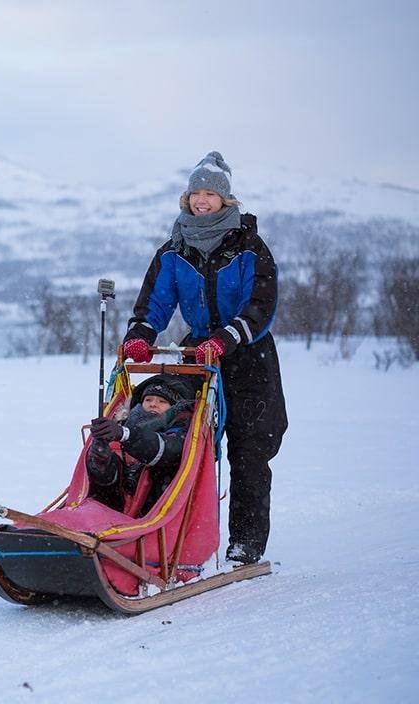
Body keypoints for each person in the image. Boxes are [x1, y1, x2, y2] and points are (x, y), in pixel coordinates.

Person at [121, 151, 288, 564]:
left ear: (225, 199)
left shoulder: (249, 245)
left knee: (249, 452)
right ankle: (177, 536)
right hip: (197, 356)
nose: (201, 199)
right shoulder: (174, 248)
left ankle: (244, 544)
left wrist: (226, 338)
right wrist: (140, 335)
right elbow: (154, 303)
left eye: (210, 193)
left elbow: (260, 306)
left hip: (248, 356)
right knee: (184, 445)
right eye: (196, 192)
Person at [85, 374, 195, 517]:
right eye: (148, 399)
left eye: (162, 401)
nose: (153, 404)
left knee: (158, 469)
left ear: (174, 407)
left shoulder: (180, 430)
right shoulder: (123, 423)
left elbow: (164, 450)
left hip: (158, 506)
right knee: (103, 461)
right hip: (118, 501)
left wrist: (124, 434)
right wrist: (102, 461)